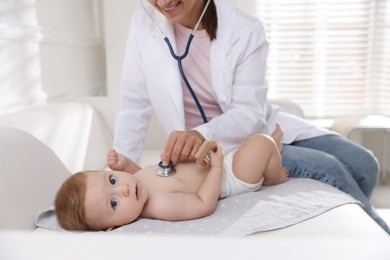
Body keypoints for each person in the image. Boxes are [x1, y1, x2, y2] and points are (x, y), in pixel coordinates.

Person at [113, 0, 389, 233]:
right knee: (331, 169)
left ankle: (350, 217)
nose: (162, 3)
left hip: (252, 126)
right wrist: (116, 175)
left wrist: (201, 133)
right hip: (216, 153)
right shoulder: (143, 25)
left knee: (364, 162)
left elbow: (248, 112)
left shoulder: (245, 29)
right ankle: (375, 237)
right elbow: (134, 103)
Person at [55, 127, 288, 231]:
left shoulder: (135, 185)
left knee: (253, 141)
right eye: (114, 203)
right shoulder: (159, 205)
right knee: (261, 143)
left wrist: (125, 164)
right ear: (113, 227)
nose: (124, 189)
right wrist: (217, 167)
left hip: (216, 159)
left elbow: (143, 173)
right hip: (231, 176)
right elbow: (202, 203)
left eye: (113, 181)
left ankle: (273, 152)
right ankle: (274, 175)